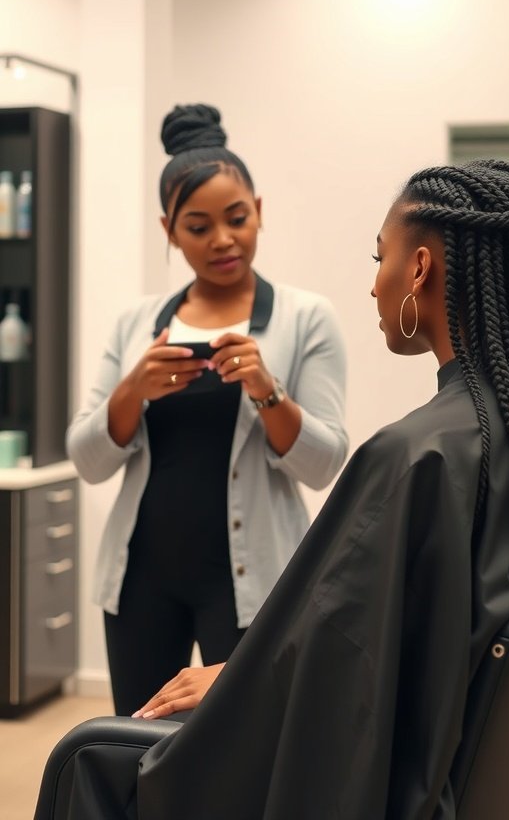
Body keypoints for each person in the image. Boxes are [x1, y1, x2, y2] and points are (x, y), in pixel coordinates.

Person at [132, 158, 509, 820]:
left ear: (419, 269)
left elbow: (346, 663)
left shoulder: (416, 455)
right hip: (468, 781)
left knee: (96, 756)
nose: (374, 288)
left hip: (398, 785)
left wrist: (239, 675)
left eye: (381, 258)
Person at [66, 103, 348, 718]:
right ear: (168, 230)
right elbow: (86, 460)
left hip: (255, 583)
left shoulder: (305, 318)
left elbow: (323, 464)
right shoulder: (137, 324)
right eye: (198, 226)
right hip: (140, 584)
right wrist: (131, 392)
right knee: (136, 748)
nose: (222, 240)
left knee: (243, 746)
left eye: (237, 218)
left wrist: (267, 389)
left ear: (259, 212)